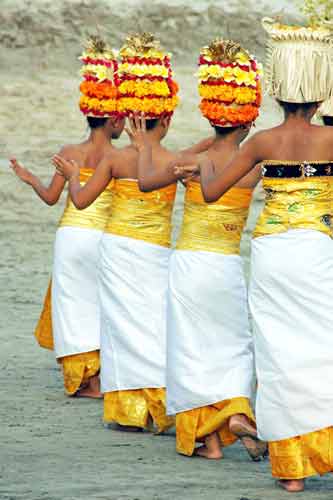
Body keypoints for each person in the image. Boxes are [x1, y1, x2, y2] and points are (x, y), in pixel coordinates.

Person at [176, 17, 333, 492]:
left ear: (279, 92)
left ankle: (291, 471)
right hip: (315, 248)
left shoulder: (262, 141)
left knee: (279, 350)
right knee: (321, 344)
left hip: (270, 251)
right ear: (320, 96)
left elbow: (212, 191)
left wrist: (201, 164)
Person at [53, 32, 212, 431]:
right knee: (157, 320)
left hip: (117, 248)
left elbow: (83, 200)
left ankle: (129, 409)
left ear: (130, 121)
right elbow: (212, 151)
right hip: (156, 251)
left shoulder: (114, 159)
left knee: (122, 322)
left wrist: (73, 177)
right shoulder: (178, 159)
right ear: (168, 118)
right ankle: (161, 400)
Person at [130, 38, 266, 460]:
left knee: (191, 346)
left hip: (189, 263)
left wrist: (145, 148)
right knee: (232, 342)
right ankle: (237, 411)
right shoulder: (254, 164)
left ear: (213, 118)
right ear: (248, 123)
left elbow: (147, 183)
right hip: (225, 265)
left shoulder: (194, 164)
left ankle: (208, 441)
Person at [11, 36, 125, 398]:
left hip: (71, 236)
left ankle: (85, 379)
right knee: (105, 302)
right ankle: (108, 374)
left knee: (73, 306)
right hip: (105, 238)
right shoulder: (121, 157)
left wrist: (31, 180)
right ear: (111, 122)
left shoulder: (69, 151)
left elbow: (50, 199)